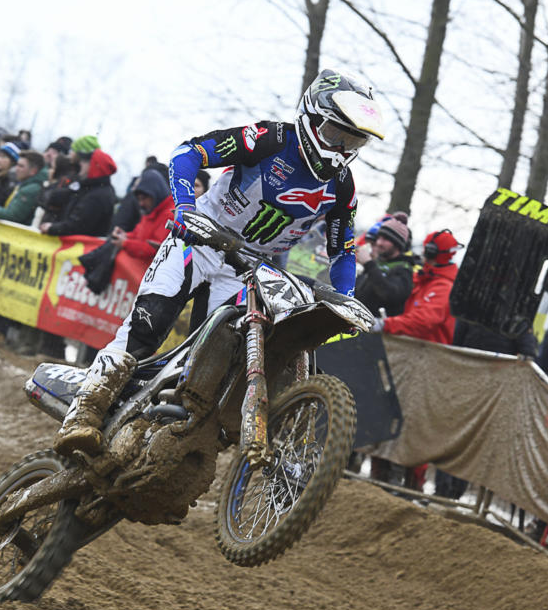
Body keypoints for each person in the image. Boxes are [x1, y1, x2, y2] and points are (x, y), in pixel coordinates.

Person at [55, 68, 385, 454]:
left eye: (353, 141)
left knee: (213, 366)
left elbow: (343, 250)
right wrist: (184, 206)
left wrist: (345, 299)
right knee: (148, 325)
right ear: (311, 118)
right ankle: (85, 410)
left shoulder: (342, 187)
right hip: (199, 237)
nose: (342, 149)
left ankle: (165, 439)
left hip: (248, 270)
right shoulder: (269, 139)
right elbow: (189, 153)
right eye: (336, 135)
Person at [377, 229, 462, 344]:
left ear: (430, 251)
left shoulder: (443, 287)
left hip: (429, 351)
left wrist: (385, 324)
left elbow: (422, 322)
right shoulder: (423, 279)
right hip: (413, 347)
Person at [353, 217, 413, 317]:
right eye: (379, 238)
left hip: (378, 324)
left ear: (397, 243)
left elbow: (390, 295)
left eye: (385, 239)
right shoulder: (377, 263)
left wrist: (368, 264)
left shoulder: (404, 269)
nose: (379, 243)